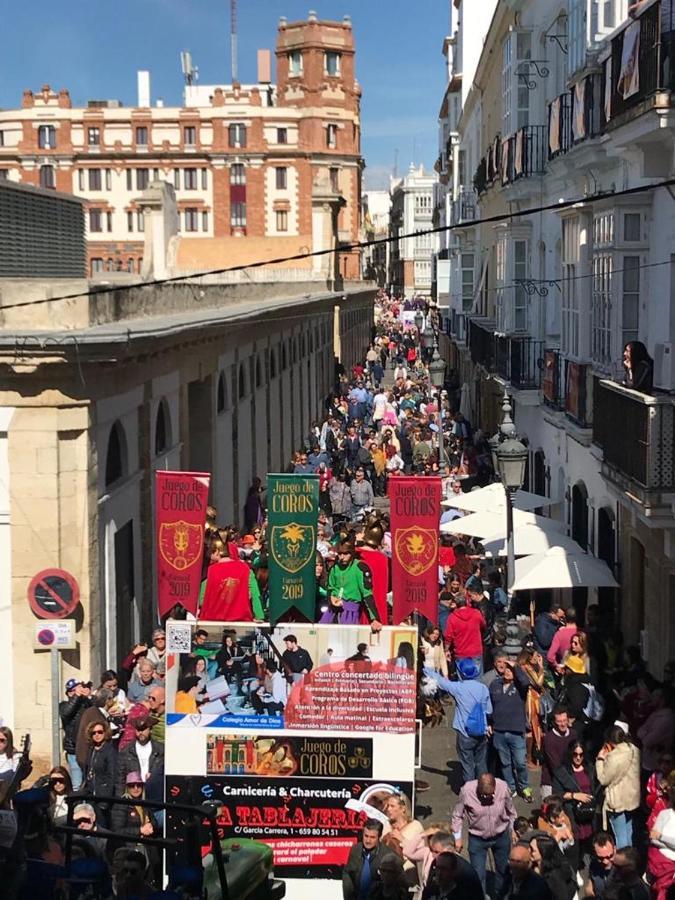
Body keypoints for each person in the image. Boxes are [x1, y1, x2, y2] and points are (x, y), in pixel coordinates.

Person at [424, 658, 491, 784]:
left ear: (461, 673)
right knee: (481, 763)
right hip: (481, 732)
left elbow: (440, 681)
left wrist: (425, 668)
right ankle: (484, 789)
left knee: (467, 765)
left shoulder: (458, 688)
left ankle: (469, 792)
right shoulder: (483, 689)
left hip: (464, 733)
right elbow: (489, 710)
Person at [451, 773, 515, 896]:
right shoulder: (467, 791)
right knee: (478, 875)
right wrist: (457, 838)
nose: (486, 798)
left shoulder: (502, 786)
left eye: (490, 795)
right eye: (483, 795)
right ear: (477, 787)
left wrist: (512, 829)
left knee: (503, 871)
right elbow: (457, 815)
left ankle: (501, 896)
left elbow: (511, 810)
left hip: (501, 836)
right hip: (478, 839)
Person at [489, 655, 533, 802]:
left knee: (520, 762)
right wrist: (489, 723)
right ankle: (511, 787)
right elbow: (489, 706)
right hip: (499, 731)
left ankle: (524, 786)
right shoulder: (495, 685)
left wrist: (516, 666)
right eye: (506, 669)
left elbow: (526, 681)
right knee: (505, 762)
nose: (508, 671)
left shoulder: (520, 686)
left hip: (516, 731)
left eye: (511, 669)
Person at [595, 725, 640, 848]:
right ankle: (631, 862)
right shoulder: (634, 750)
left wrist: (600, 759)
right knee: (629, 833)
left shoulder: (614, 757)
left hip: (617, 801)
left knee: (620, 838)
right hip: (632, 799)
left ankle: (622, 864)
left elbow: (604, 779)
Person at [553, 741, 597, 857]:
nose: (578, 758)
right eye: (575, 754)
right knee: (575, 843)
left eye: (581, 755)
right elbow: (557, 794)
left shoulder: (590, 768)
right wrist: (574, 795)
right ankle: (575, 867)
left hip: (589, 812)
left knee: (590, 841)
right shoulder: (563, 772)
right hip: (573, 812)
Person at [323, 543, 380, 627]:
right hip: (332, 612)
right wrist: (331, 598)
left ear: (352, 553)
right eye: (340, 554)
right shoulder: (334, 568)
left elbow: (367, 594)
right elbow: (330, 588)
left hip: (350, 613)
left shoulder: (360, 567)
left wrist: (374, 619)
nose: (342, 557)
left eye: (346, 554)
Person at [342, 818, 396, 900]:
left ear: (379, 837)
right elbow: (348, 874)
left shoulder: (388, 855)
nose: (368, 840)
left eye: (372, 837)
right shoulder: (355, 850)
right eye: (366, 836)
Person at [116, 717, 164, 795]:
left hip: (155, 792)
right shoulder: (126, 751)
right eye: (138, 730)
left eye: (143, 729)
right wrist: (120, 800)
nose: (140, 732)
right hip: (134, 793)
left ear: (150, 730)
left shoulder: (160, 749)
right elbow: (120, 778)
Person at [59, 678, 92, 790]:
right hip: (73, 750)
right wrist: (76, 696)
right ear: (68, 694)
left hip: (88, 748)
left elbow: (97, 710)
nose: (75, 692)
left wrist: (90, 696)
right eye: (72, 691)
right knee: (77, 784)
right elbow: (66, 713)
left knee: (89, 783)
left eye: (77, 689)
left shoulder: (86, 703)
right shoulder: (63, 705)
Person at [82, 721, 116, 827]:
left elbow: (112, 776)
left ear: (105, 733)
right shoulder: (91, 749)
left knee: (102, 826)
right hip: (91, 795)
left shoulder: (110, 751)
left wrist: (106, 800)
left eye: (100, 732)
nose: (97, 735)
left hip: (103, 797)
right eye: (94, 733)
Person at [444, 595, 486, 676]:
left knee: (463, 680)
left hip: (461, 652)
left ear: (456, 604)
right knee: (478, 679)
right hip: (475, 650)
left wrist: (446, 650)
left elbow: (448, 637)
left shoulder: (452, 617)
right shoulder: (476, 613)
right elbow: (483, 625)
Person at [541, 707, 578, 801]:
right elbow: (556, 766)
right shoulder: (549, 740)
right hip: (550, 780)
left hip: (570, 777)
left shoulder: (573, 734)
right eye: (559, 721)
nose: (563, 724)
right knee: (549, 809)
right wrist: (574, 787)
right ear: (554, 722)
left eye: (564, 720)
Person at [649, 771, 675, 900]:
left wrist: (661, 837)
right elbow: (652, 838)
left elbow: (657, 837)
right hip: (659, 865)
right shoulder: (665, 813)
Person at [111, 772, 156, 840]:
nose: (136, 788)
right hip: (129, 845)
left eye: (139, 785)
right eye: (132, 785)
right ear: (127, 788)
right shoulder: (121, 804)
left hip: (146, 844)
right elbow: (117, 830)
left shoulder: (145, 804)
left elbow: (154, 823)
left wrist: (151, 825)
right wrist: (140, 830)